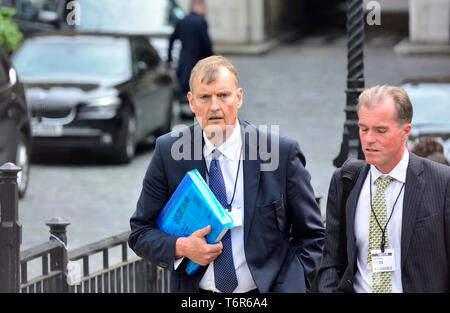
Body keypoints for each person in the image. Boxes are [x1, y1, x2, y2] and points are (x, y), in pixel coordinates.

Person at [128, 55, 324, 293]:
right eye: (204, 97)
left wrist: (291, 287)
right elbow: (140, 232)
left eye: (223, 95)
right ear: (191, 102)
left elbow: (313, 236)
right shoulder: (168, 152)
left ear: (238, 97)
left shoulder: (280, 154)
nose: (214, 106)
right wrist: (182, 247)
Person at [317, 85, 450, 293]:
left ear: (405, 132)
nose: (369, 139)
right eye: (363, 129)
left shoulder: (442, 182)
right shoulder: (345, 180)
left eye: (380, 130)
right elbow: (331, 262)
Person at [168, 0, 213, 116]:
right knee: (199, 87)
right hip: (198, 61)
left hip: (184, 61)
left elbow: (172, 40)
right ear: (200, 6)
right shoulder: (201, 22)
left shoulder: (182, 21)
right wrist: (211, 60)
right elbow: (206, 44)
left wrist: (169, 58)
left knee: (185, 87)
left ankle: (185, 109)